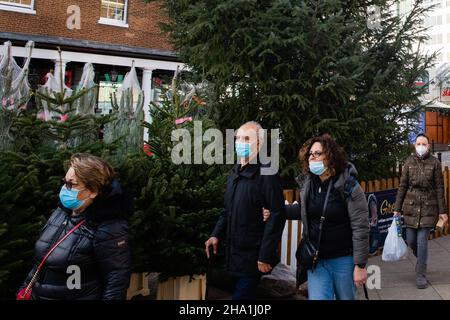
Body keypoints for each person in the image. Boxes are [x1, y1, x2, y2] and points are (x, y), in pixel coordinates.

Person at [265, 134, 369, 300]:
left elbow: (361, 226)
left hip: (343, 259)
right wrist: (276, 211)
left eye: (318, 153)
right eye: (310, 154)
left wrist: (360, 265)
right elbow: (303, 210)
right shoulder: (309, 184)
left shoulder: (348, 185)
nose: (312, 157)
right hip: (316, 259)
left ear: (330, 156)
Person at [18, 153, 131, 300]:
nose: (65, 188)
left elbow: (116, 280)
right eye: (65, 182)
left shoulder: (108, 227)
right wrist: (24, 289)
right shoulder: (61, 213)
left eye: (72, 184)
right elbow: (42, 261)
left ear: (93, 191)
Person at [204, 121, 286, 300]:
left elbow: (277, 214)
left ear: (259, 143)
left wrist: (265, 256)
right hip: (234, 253)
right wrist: (215, 234)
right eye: (238, 138)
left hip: (253, 256)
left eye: (247, 138)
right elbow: (228, 210)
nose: (240, 142)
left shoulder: (267, 172)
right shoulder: (234, 173)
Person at [393, 133, 448, 289]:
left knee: (422, 241)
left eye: (424, 143)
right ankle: (421, 260)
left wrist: (442, 211)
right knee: (411, 240)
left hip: (428, 207)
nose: (421, 146)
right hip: (410, 207)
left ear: (428, 146)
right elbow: (402, 186)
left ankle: (420, 274)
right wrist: (397, 208)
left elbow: (439, 188)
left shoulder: (435, 163)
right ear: (414, 145)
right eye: (419, 143)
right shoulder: (409, 162)